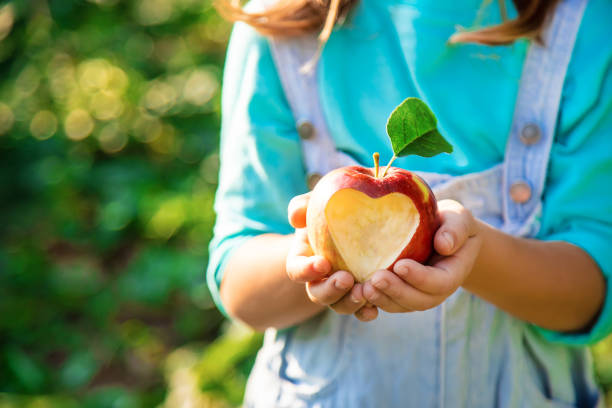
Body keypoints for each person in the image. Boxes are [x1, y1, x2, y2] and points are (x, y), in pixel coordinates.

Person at [207, 0, 612, 406]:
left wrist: (475, 254)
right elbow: (240, 285)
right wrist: (319, 253)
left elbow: (590, 295)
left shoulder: (585, 23)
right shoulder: (279, 21)